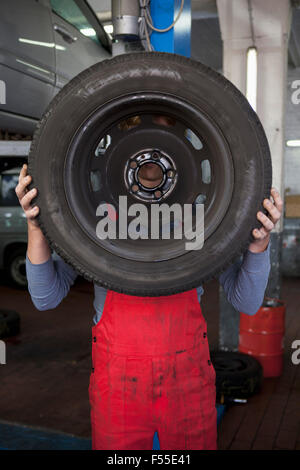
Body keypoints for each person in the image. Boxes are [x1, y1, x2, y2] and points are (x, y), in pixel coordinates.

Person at [16, 117, 282, 450]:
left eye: (164, 134)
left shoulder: (204, 217)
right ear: (122, 143)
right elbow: (46, 297)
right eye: (141, 135)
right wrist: (37, 226)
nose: (152, 150)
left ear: (180, 144)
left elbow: (247, 303)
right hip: (119, 384)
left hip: (188, 379)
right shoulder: (93, 215)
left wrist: (258, 247)